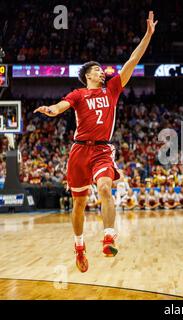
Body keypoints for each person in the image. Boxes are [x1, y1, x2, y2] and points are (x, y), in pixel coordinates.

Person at [33, 12, 158, 273]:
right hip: (79, 150)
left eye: (102, 70)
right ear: (88, 75)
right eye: (98, 70)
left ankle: (109, 237)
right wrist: (52, 110)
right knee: (79, 203)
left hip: (102, 149)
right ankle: (79, 246)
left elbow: (132, 61)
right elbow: (62, 105)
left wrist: (147, 36)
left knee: (104, 188)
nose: (103, 72)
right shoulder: (79, 93)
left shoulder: (112, 89)